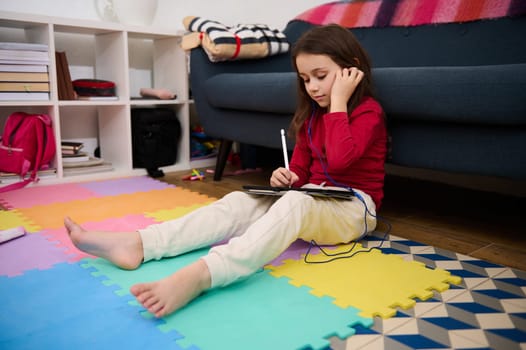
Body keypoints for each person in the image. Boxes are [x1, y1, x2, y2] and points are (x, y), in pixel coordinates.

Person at [64, 24, 387, 318]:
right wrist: (287, 177)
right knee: (240, 201)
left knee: (296, 203)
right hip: (313, 198)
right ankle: (142, 243)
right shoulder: (313, 116)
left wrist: (339, 103)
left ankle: (202, 275)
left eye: (321, 76)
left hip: (354, 208)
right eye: (305, 79)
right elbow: (302, 169)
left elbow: (343, 161)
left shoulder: (368, 112)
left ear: (351, 70)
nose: (313, 88)